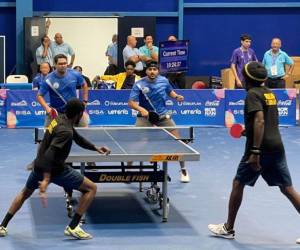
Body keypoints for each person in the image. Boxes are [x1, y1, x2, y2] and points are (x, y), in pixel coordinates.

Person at [208, 61, 300, 244]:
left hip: (259, 150)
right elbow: (266, 120)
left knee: (238, 183)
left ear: (245, 78)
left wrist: (255, 152)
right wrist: (247, 131)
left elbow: (260, 121)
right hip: (276, 146)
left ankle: (228, 228)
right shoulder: (269, 93)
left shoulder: (251, 94)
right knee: (288, 189)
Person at [0, 98, 111, 240]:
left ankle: (2, 225)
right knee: (91, 188)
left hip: (38, 165)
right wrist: (46, 179)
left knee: (24, 193)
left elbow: (78, 138)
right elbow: (50, 154)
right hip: (56, 170)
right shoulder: (66, 132)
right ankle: (73, 227)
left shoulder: (60, 119)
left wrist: (95, 148)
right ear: (78, 114)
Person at [128, 61, 190, 182]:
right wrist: (142, 109)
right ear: (146, 71)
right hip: (144, 117)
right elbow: (131, 103)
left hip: (162, 116)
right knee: (137, 143)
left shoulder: (164, 81)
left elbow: (169, 91)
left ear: (158, 71)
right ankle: (128, 170)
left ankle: (183, 169)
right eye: (150, 69)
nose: (152, 71)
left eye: (154, 69)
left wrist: (177, 96)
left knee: (179, 142)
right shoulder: (139, 84)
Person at [37, 54, 89, 127]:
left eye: (65, 63)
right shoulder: (48, 79)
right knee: (47, 134)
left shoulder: (75, 74)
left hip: (74, 111)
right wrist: (47, 108)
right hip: (56, 112)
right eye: (60, 64)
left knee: (83, 132)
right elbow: (39, 96)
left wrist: (85, 100)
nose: (63, 65)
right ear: (55, 65)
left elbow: (84, 84)